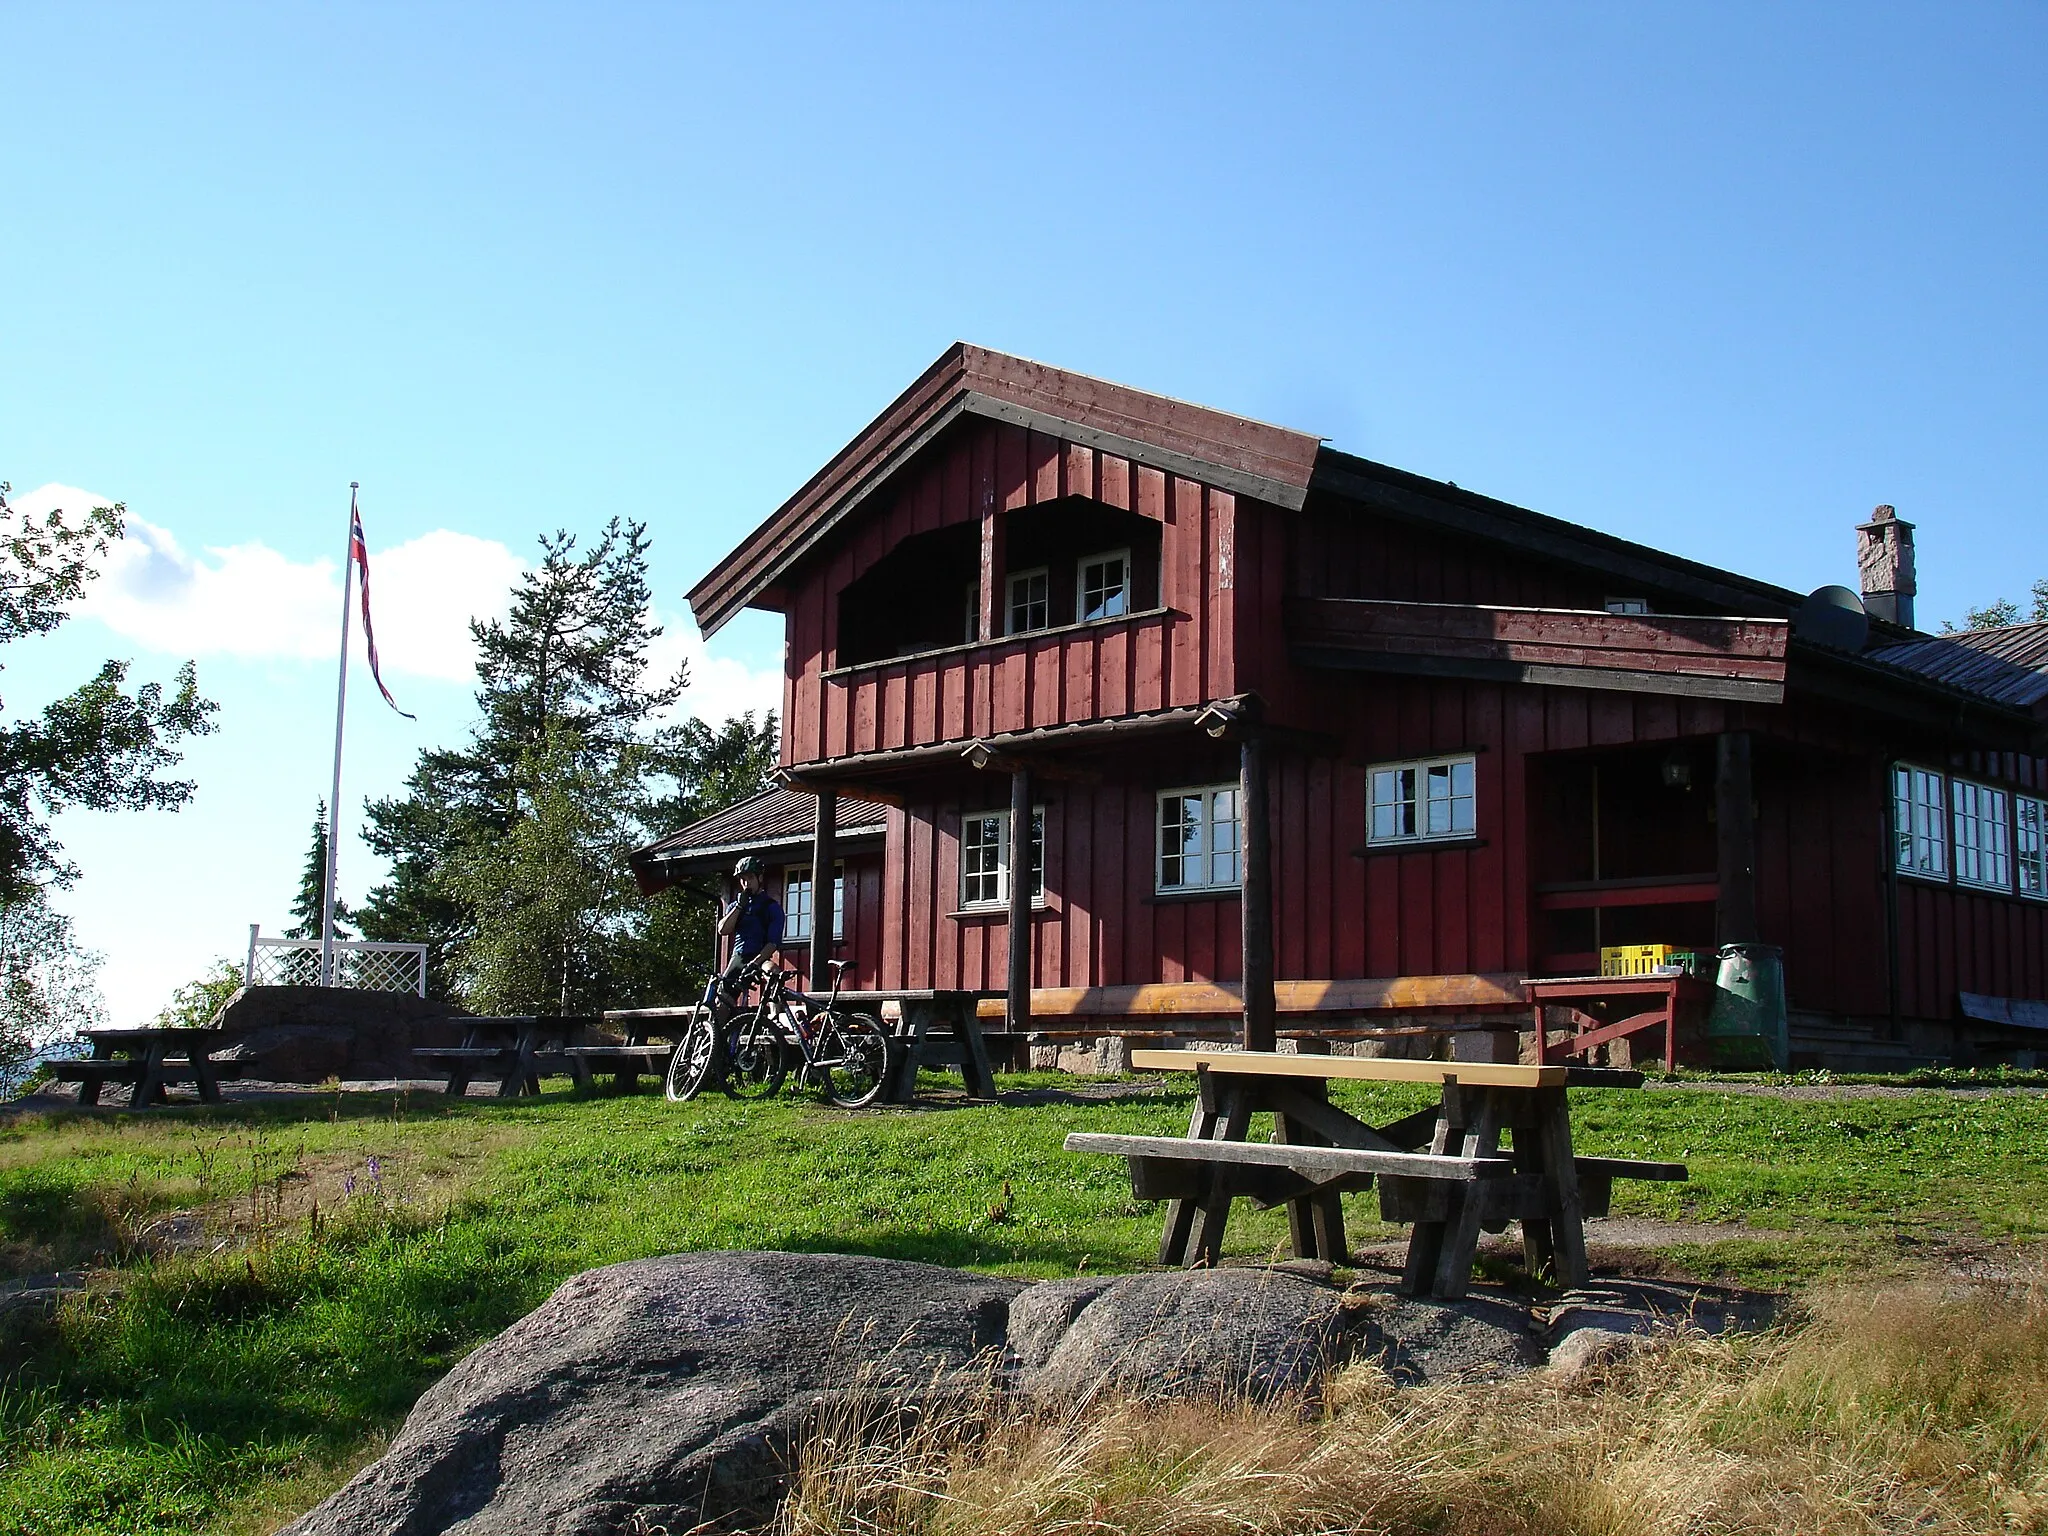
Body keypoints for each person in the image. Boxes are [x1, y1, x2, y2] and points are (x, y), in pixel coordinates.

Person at [704, 855, 785, 1023]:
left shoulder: (771, 907)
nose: (746, 883)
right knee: (722, 999)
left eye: (749, 878)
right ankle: (717, 1036)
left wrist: (756, 962)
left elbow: (773, 943)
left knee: (774, 973)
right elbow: (723, 930)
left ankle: (775, 1018)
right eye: (742, 879)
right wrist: (739, 906)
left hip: (760, 956)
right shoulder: (736, 906)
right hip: (739, 957)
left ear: (759, 878)